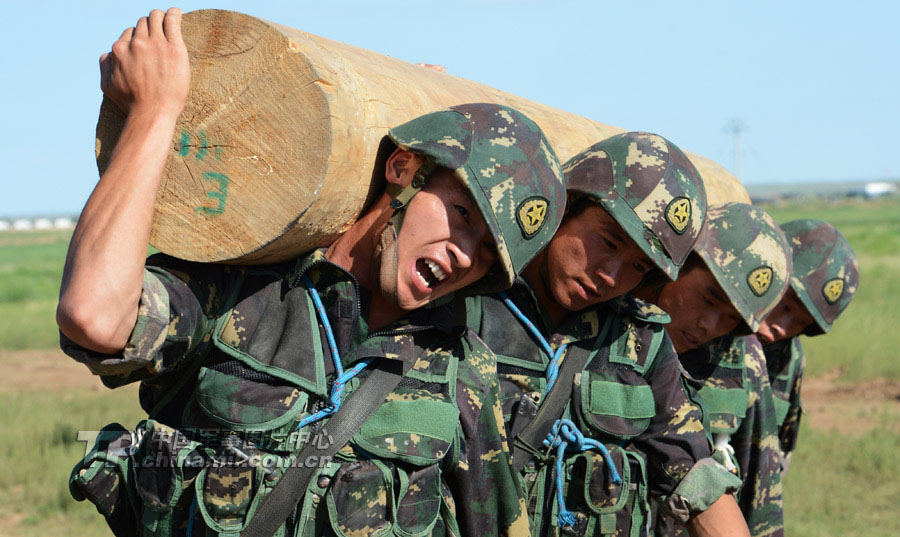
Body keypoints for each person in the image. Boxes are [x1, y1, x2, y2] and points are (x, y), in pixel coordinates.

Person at [57, 8, 568, 537]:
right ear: (403, 169)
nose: (465, 254)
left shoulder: (462, 369)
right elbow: (93, 316)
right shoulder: (243, 298)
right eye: (462, 215)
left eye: (487, 253)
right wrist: (153, 114)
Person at [466, 132, 750, 537]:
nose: (611, 275)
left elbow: (694, 476)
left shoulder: (641, 341)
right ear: (567, 207)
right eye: (608, 241)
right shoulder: (469, 301)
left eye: (637, 268)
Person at [633, 202, 792, 537]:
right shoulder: (606, 322)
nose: (710, 325)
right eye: (708, 299)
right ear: (679, 264)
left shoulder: (740, 356)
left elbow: (760, 490)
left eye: (732, 319)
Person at [755, 219, 859, 473]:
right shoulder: (704, 328)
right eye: (785, 305)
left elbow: (779, 457)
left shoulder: (790, 359)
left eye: (801, 322)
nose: (782, 327)